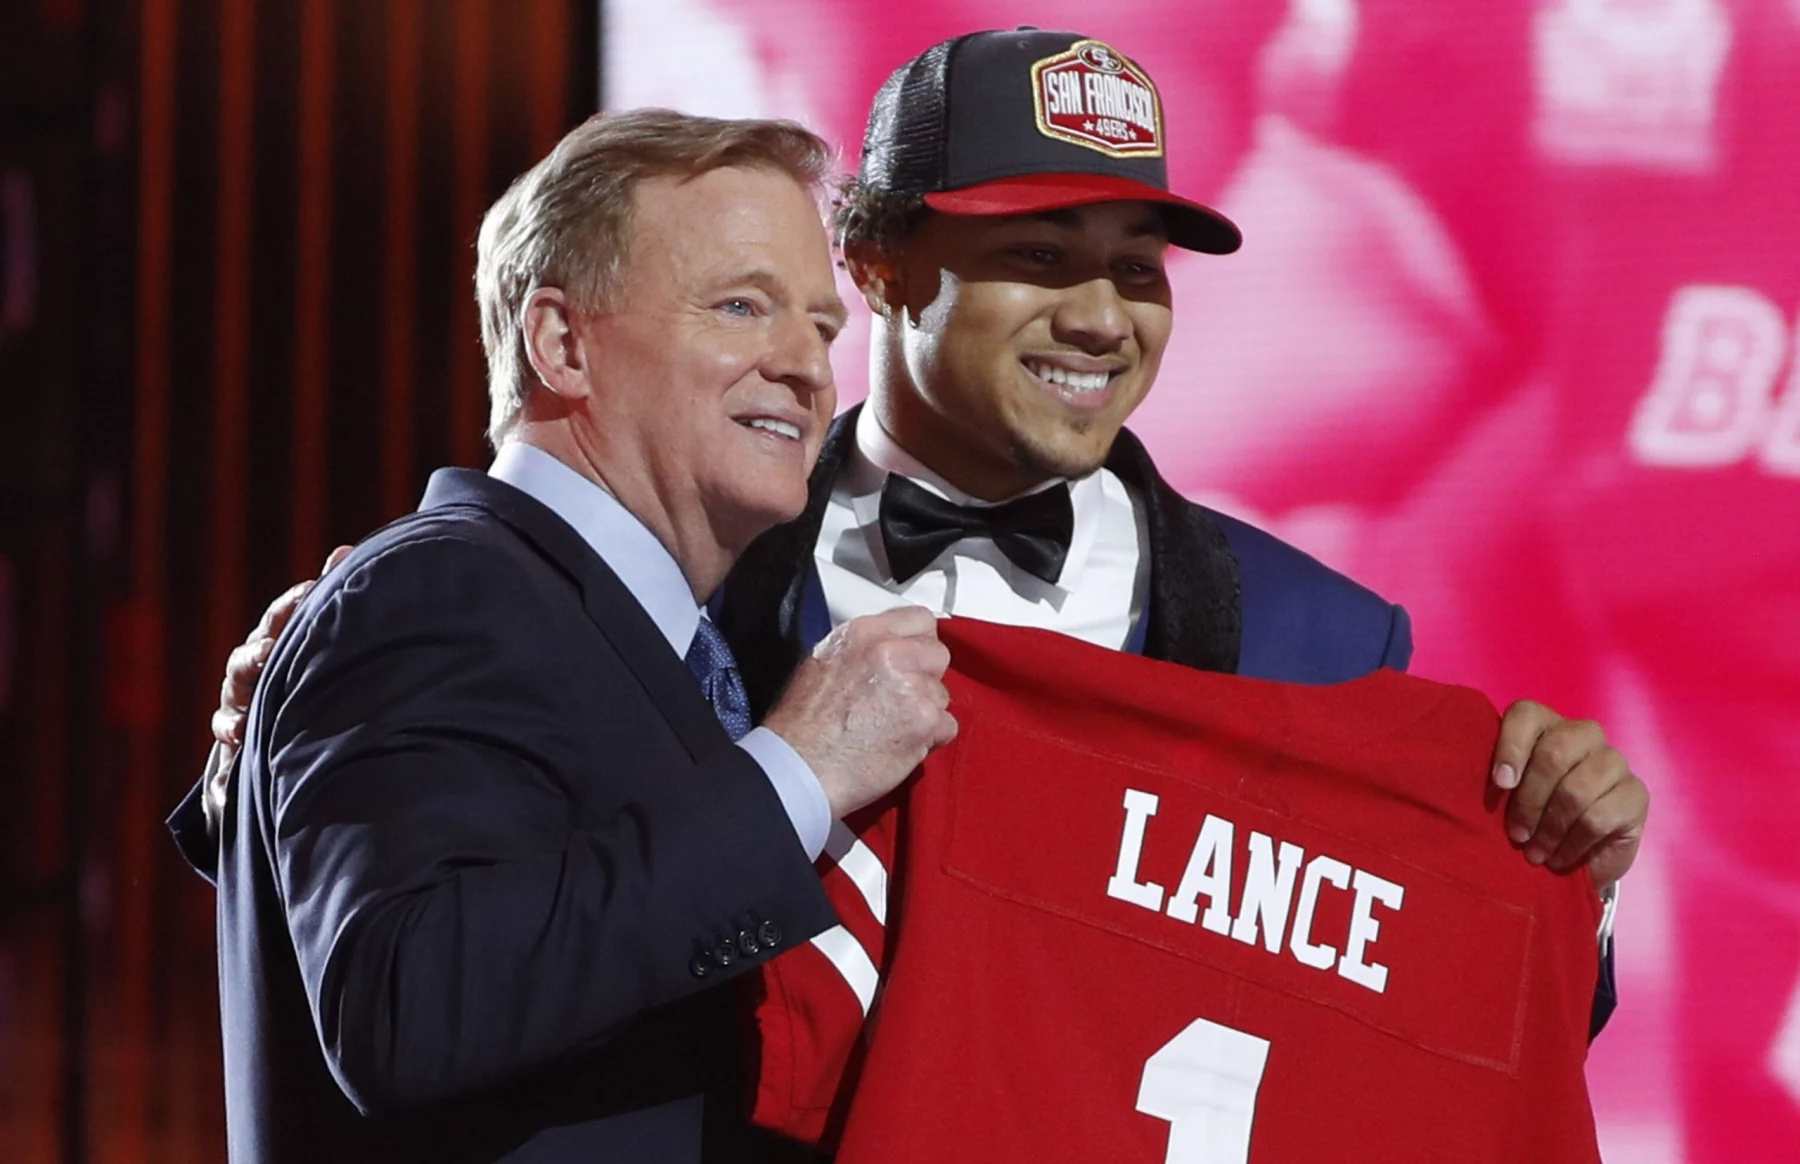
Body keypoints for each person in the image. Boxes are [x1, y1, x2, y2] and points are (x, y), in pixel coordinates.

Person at [188, 21, 1649, 1131]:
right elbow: (468, 870)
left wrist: (1556, 887)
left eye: (1138, 264)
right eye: (1038, 253)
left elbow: (1400, 1012)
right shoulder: (681, 554)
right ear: (882, 269)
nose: (1099, 316)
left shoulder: (1317, 636)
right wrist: (261, 753)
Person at [195, 109, 957, 1164]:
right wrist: (795, 770)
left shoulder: (676, 643)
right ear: (561, 343)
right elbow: (407, 1001)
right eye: (741, 306)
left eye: (822, 327)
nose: (806, 366)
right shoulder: (443, 588)